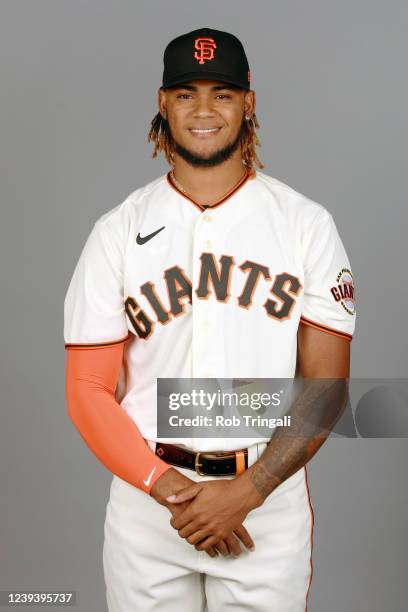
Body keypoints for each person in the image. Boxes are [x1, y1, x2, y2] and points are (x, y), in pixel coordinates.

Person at [64, 27, 356, 612]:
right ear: (162, 103)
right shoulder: (117, 231)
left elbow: (325, 389)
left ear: (248, 103)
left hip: (265, 505)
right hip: (148, 504)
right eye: (185, 93)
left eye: (221, 93)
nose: (202, 109)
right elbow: (88, 389)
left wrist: (245, 494)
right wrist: (168, 488)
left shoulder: (305, 225)